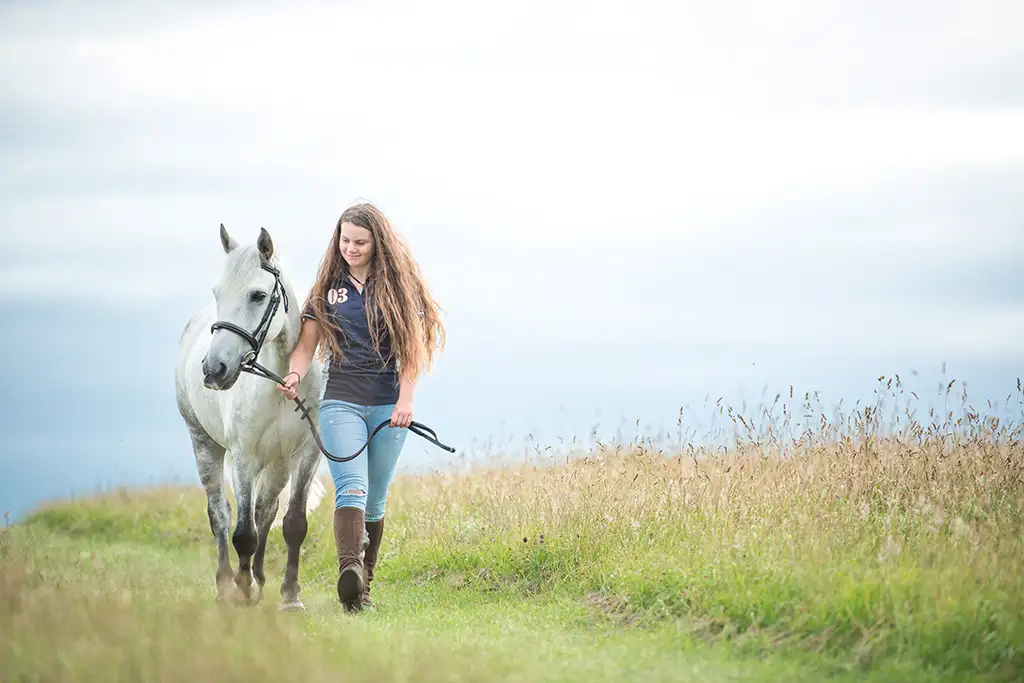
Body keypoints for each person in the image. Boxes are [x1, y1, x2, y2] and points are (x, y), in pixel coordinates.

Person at [277, 202, 445, 612]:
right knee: (351, 487)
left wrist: (406, 400)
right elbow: (305, 347)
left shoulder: (399, 288)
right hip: (341, 403)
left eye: (360, 242)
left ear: (377, 243)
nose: (350, 248)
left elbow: (412, 350)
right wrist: (295, 375)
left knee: (376, 500)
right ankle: (348, 569)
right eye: (345, 240)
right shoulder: (327, 290)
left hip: (389, 407)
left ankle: (361, 590)